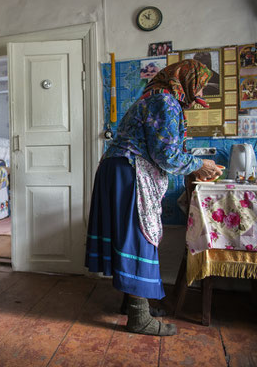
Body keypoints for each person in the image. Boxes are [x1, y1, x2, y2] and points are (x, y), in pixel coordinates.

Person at [85, 59, 222, 336]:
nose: (201, 95)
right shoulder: (165, 102)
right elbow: (167, 155)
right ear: (186, 79)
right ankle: (138, 317)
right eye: (200, 86)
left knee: (129, 235)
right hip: (128, 171)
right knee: (139, 236)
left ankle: (132, 303)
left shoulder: (155, 97)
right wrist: (199, 165)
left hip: (118, 169)